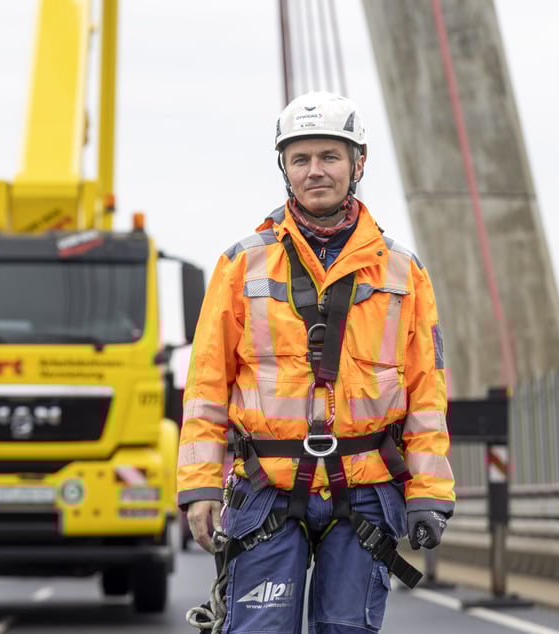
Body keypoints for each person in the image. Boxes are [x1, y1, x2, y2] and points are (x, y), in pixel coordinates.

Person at [178, 91, 455, 633]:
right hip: (267, 488)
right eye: (300, 158)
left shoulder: (403, 272)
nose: (315, 171)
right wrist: (200, 486)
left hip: (366, 490)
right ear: (284, 168)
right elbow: (207, 385)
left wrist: (429, 493)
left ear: (358, 163)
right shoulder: (241, 265)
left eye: (330, 156)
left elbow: (427, 393)